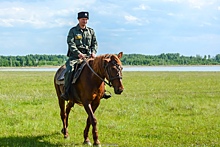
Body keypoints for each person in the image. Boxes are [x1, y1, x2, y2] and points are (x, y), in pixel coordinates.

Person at [61, 11, 111, 101]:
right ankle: (67, 91)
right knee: (69, 70)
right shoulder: (73, 31)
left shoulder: (91, 31)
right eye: (83, 19)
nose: (85, 21)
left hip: (89, 57)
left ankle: (102, 91)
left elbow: (94, 43)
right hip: (75, 57)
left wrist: (94, 52)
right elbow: (71, 43)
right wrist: (78, 53)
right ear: (78, 20)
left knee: (100, 69)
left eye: (86, 19)